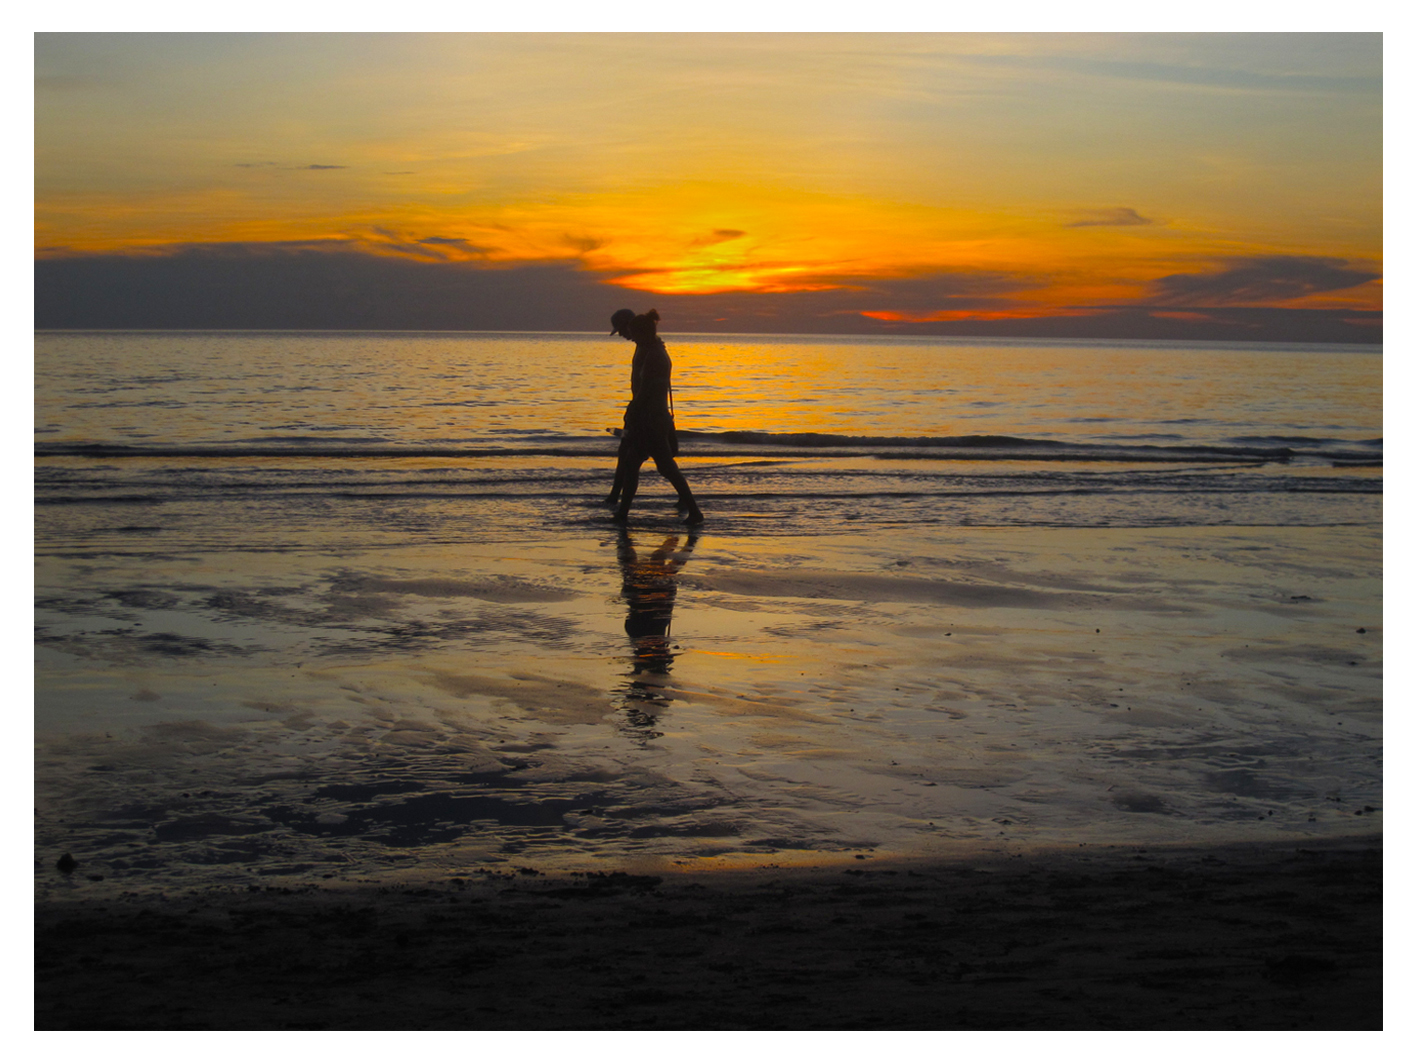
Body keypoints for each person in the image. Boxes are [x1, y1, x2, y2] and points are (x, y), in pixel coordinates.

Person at [605, 309, 704, 525]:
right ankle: (623, 511)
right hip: (651, 417)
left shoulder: (654, 355)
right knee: (641, 464)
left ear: (640, 332)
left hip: (650, 419)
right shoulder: (651, 350)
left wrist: (632, 412)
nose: (626, 335)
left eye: (629, 331)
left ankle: (694, 511)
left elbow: (647, 390)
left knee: (659, 466)